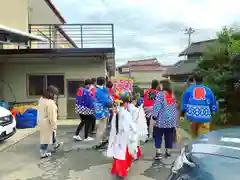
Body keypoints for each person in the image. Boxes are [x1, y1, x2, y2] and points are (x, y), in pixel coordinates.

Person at [180, 73, 218, 138]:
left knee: (194, 137)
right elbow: (213, 104)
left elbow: (184, 104)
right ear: (202, 80)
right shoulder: (208, 90)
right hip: (205, 117)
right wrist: (212, 113)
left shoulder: (189, 90)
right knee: (203, 138)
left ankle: (194, 146)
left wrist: (182, 115)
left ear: (194, 80)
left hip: (192, 117)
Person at [107, 95, 136, 178]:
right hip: (123, 136)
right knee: (121, 153)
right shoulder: (125, 113)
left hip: (116, 135)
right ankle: (121, 171)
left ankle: (118, 169)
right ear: (126, 103)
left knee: (118, 152)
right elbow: (128, 127)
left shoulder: (117, 111)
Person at [152, 79, 178, 159]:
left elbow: (158, 105)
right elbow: (175, 107)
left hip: (161, 119)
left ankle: (158, 153)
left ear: (163, 85)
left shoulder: (160, 94)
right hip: (171, 120)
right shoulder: (172, 95)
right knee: (169, 135)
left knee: (158, 135)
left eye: (160, 84)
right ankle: (168, 152)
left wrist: (154, 115)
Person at [38, 85, 62, 158]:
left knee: (50, 134)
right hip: (47, 122)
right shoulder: (50, 103)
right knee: (46, 137)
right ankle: (43, 153)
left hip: (41, 120)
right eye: (55, 94)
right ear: (51, 94)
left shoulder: (41, 99)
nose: (56, 96)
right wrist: (54, 125)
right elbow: (52, 116)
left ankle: (55, 144)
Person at [94, 77, 113, 147]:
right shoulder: (99, 90)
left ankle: (102, 140)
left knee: (103, 127)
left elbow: (106, 94)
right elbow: (106, 101)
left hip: (102, 110)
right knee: (101, 128)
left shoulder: (99, 89)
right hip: (102, 111)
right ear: (103, 83)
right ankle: (98, 143)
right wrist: (111, 103)